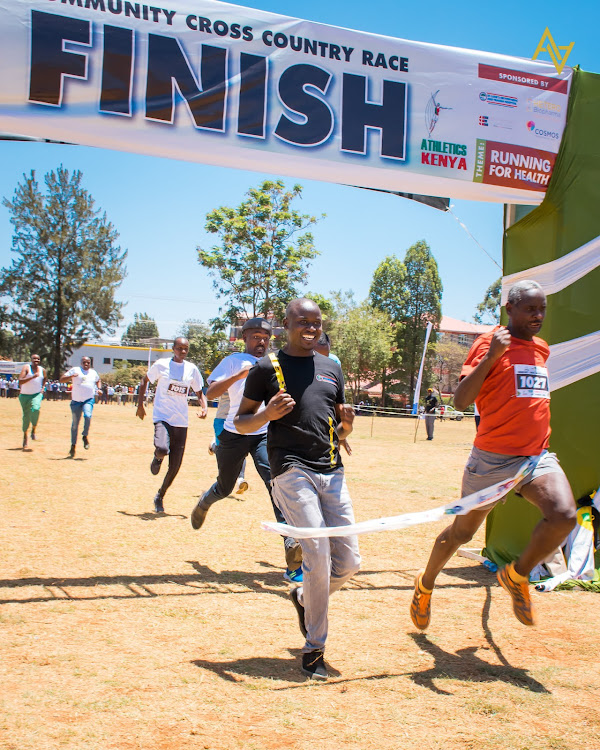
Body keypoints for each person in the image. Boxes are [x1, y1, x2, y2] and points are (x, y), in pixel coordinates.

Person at [410, 280, 576, 631]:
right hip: (492, 460)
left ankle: (517, 576)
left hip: (534, 458)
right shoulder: (488, 342)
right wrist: (492, 357)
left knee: (563, 516)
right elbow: (460, 401)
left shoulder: (542, 349)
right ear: (510, 309)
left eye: (542, 309)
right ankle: (425, 585)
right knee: (461, 534)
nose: (538, 315)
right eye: (530, 309)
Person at [233, 299, 361, 680]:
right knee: (317, 553)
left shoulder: (331, 369)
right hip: (290, 470)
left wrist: (348, 429)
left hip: (331, 470)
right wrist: (266, 415)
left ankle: (304, 596)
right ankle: (314, 648)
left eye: (316, 323)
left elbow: (333, 430)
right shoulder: (264, 368)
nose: (311, 328)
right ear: (285, 325)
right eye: (302, 322)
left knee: (351, 562)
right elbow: (240, 422)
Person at [190, 318, 303, 582]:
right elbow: (212, 390)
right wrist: (238, 375)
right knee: (226, 486)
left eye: (265, 337)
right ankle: (205, 502)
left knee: (276, 485)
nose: (261, 342)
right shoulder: (232, 361)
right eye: (255, 337)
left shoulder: (273, 363)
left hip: (264, 433)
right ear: (245, 338)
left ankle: (292, 552)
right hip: (234, 433)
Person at [137, 338, 207, 513]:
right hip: (162, 416)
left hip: (181, 422)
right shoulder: (161, 365)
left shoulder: (191, 369)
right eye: (179, 348)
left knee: (175, 465)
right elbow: (144, 381)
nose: (182, 351)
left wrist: (204, 407)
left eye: (186, 349)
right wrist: (140, 405)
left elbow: (199, 392)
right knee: (161, 448)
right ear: (173, 349)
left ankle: (160, 495)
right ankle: (158, 457)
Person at [208, 389, 249, 496]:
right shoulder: (224, 376)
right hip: (223, 418)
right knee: (223, 450)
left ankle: (240, 479)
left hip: (239, 419)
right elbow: (211, 394)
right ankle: (213, 445)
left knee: (240, 451)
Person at [60, 357, 101, 457]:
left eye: (88, 362)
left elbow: (98, 380)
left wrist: (99, 389)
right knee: (75, 425)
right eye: (84, 362)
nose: (86, 364)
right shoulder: (75, 370)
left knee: (88, 416)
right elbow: (61, 380)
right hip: (76, 402)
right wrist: (71, 376)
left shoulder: (93, 372)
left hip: (88, 400)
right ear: (81, 363)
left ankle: (85, 436)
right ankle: (73, 446)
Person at [18, 354, 47, 448]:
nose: (36, 360)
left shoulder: (42, 370)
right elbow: (20, 381)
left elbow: (45, 378)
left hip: (36, 394)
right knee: (26, 416)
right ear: (31, 359)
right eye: (34, 359)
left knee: (35, 409)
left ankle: (33, 429)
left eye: (38, 359)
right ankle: (25, 435)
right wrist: (32, 377)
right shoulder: (26, 368)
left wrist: (42, 388)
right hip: (24, 395)